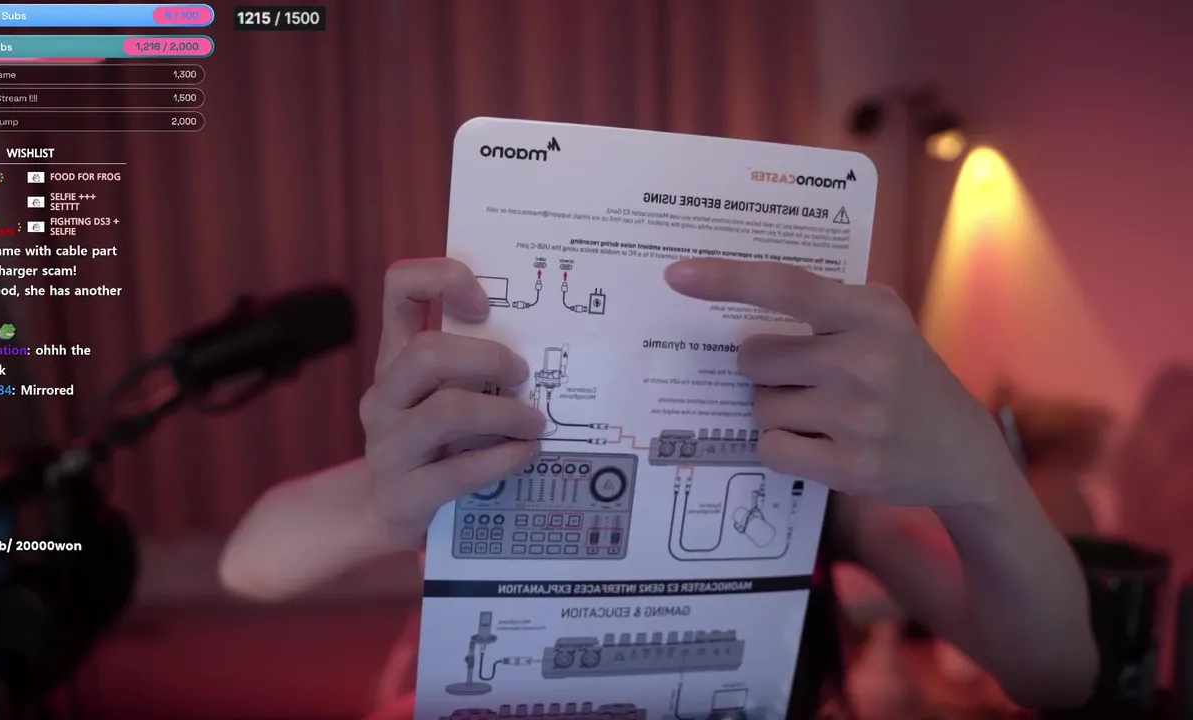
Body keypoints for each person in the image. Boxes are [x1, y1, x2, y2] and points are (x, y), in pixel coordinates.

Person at [218, 257, 1099, 718]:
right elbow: (250, 564)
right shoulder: (501, 432)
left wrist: (984, 479)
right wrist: (382, 506)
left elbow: (1056, 673)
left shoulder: (816, 473)